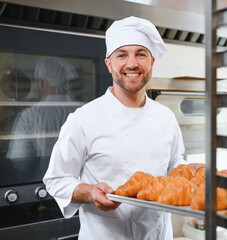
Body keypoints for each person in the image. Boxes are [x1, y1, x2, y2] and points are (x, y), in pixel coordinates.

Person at [43, 16, 195, 239]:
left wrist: (189, 171)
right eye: (122, 55)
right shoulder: (83, 119)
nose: (132, 64)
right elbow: (56, 180)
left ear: (151, 62)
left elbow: (174, 162)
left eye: (140, 54)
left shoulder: (165, 117)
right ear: (109, 63)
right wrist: (90, 192)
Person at [6, 57, 78, 182]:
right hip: (77, 186)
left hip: (39, 185)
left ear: (41, 83)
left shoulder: (29, 116)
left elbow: (20, 162)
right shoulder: (81, 110)